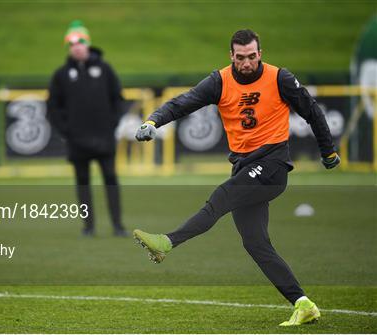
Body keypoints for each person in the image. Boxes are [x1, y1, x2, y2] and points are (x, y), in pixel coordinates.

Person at [133, 29, 340, 326]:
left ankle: (167, 243)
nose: (246, 63)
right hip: (244, 168)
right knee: (255, 243)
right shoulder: (219, 81)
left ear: (260, 53)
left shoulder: (279, 78)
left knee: (221, 197)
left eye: (252, 56)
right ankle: (302, 303)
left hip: (273, 165)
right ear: (231, 56)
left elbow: (312, 111)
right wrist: (153, 120)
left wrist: (328, 152)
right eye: (240, 57)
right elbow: (183, 102)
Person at [47, 20, 127, 237]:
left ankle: (118, 226)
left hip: (104, 139)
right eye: (72, 44)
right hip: (77, 141)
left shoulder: (105, 69)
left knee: (110, 179)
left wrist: (111, 124)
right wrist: (67, 130)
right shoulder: (61, 75)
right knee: (83, 183)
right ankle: (88, 227)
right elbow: (53, 106)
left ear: (88, 44)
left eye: (80, 42)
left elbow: (118, 99)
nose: (77, 47)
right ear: (69, 48)